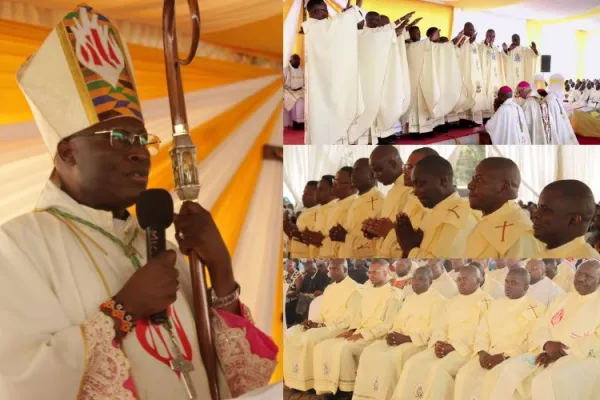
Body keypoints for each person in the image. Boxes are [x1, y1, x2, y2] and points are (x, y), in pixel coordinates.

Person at [0, 6, 277, 399]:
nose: (140, 154)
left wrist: (221, 271)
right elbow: (19, 379)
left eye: (142, 140)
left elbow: (239, 379)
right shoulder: (17, 246)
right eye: (118, 139)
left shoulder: (157, 245)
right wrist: (124, 309)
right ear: (68, 154)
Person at [392, 265, 492, 400]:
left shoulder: (487, 303)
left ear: (478, 280)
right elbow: (440, 326)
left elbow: (482, 333)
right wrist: (439, 343)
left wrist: (453, 346)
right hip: (444, 347)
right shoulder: (453, 301)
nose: (460, 282)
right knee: (413, 363)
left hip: (466, 350)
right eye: (459, 279)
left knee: (439, 369)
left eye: (465, 279)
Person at [353, 267, 447, 400]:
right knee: (369, 351)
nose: (416, 282)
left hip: (418, 343)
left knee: (391, 358)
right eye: (414, 279)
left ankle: (386, 396)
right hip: (400, 338)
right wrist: (392, 334)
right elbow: (397, 322)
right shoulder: (409, 298)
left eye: (421, 279)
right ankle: (366, 396)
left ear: (430, 282)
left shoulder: (439, 301)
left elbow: (434, 330)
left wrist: (407, 338)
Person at [313, 260, 403, 397]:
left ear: (385, 273)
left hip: (376, 337)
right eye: (369, 272)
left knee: (344, 349)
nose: (370, 275)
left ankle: (347, 389)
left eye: (374, 272)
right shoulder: (368, 291)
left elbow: (387, 324)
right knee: (324, 345)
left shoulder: (393, 294)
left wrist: (362, 335)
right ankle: (330, 386)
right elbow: (358, 315)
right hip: (359, 331)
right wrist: (351, 330)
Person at [454, 268, 545, 400]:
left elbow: (533, 344)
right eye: (506, 282)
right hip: (488, 355)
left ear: (526, 286)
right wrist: (482, 351)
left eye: (513, 283)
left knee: (495, 379)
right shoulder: (495, 305)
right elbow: (482, 331)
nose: (507, 286)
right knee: (464, 374)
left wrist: (504, 357)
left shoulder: (537, 309)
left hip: (514, 359)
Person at [283, 259, 362, 392]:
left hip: (338, 327)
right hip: (322, 324)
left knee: (310, 337)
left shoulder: (355, 289)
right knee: (291, 333)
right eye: (330, 268)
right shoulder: (330, 288)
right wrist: (312, 321)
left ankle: (312, 383)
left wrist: (319, 325)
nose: (331, 272)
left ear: (345, 270)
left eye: (335, 269)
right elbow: (322, 310)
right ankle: (296, 379)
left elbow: (350, 317)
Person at [529, 260, 600, 399]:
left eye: (588, 276)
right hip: (545, 352)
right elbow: (540, 326)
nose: (580, 278)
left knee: (549, 380)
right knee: (510, 370)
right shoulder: (561, 300)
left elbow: (596, 341)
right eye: (579, 273)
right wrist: (546, 344)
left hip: (583, 358)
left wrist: (562, 352)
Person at [302, 0, 365, 144]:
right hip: (324, 85)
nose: (328, 13)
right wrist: (354, 9)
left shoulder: (313, 28)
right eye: (325, 10)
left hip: (323, 83)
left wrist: (346, 16)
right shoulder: (317, 28)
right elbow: (338, 27)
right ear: (316, 12)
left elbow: (337, 31)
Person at [396, 155, 478, 258]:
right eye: (414, 185)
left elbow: (442, 260)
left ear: (443, 181)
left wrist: (409, 248)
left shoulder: (461, 216)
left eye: (421, 185)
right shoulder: (431, 212)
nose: (415, 193)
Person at [350, 11, 411, 144]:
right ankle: (364, 139)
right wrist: (401, 19)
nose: (376, 23)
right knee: (367, 108)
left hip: (380, 77)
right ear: (367, 21)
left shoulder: (381, 35)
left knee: (382, 107)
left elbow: (394, 34)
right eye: (373, 20)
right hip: (365, 79)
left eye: (378, 20)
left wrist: (404, 22)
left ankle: (380, 136)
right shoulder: (361, 34)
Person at [465, 158, 543, 258]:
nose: (470, 185)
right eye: (473, 179)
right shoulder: (488, 221)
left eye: (479, 180)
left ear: (503, 186)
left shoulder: (520, 235)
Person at [403, 23, 462, 136]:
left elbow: (442, 47)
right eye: (416, 33)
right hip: (415, 82)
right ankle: (416, 132)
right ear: (409, 34)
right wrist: (430, 38)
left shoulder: (425, 45)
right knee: (417, 109)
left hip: (426, 80)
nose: (418, 35)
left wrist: (457, 39)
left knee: (428, 104)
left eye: (419, 33)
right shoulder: (409, 46)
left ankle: (428, 129)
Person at [363, 146, 411, 257]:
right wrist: (375, 229)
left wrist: (389, 231)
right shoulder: (393, 190)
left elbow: (411, 234)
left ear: (393, 164)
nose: (375, 175)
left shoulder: (410, 189)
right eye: (373, 171)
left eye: (378, 169)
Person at [533, 180, 600, 259]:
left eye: (546, 209)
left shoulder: (588, 264)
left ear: (573, 220)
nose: (535, 214)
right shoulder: (539, 254)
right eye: (539, 207)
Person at [335, 159, 384, 258]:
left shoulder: (380, 201)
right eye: (353, 170)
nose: (353, 174)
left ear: (372, 175)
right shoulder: (356, 201)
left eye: (359, 171)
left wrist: (345, 237)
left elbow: (376, 243)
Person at [319, 167, 358, 258]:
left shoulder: (353, 205)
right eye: (334, 181)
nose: (333, 185)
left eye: (337, 182)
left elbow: (342, 237)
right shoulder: (335, 204)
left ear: (352, 185)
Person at [454, 22, 487, 128]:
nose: (472, 32)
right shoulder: (462, 39)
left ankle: (472, 119)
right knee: (467, 94)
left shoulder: (475, 43)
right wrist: (468, 41)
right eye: (470, 30)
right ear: (465, 30)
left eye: (473, 30)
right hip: (465, 73)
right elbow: (457, 50)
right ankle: (463, 119)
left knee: (475, 95)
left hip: (476, 74)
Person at [300, 175, 337, 258]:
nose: (316, 192)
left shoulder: (336, 209)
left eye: (320, 189)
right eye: (316, 189)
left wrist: (321, 240)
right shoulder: (321, 209)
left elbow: (338, 237)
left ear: (332, 190)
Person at [478, 29, 508, 123]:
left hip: (494, 76)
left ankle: (493, 115)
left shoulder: (495, 48)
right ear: (486, 36)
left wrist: (505, 51)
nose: (492, 38)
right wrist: (485, 45)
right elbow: (479, 55)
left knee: (494, 94)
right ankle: (484, 116)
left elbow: (501, 59)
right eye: (490, 36)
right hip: (485, 76)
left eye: (493, 36)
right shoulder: (481, 46)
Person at [285, 181, 319, 258]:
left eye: (308, 194)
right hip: (294, 252)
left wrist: (286, 219)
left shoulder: (319, 213)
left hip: (307, 255)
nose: (303, 196)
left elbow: (294, 232)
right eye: (303, 193)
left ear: (318, 194)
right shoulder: (304, 211)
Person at [545, 74, 579, 145]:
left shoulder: (554, 98)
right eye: (561, 84)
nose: (562, 87)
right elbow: (556, 122)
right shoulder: (551, 100)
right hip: (557, 132)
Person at [283, 54, 305, 130]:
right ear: (290, 61)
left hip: (299, 91)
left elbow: (305, 83)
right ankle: (295, 122)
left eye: (298, 60)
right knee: (295, 101)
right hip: (288, 91)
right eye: (295, 60)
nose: (297, 61)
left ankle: (299, 122)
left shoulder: (302, 70)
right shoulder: (286, 70)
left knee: (301, 101)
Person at [285, 260, 305, 327]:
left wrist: (286, 294)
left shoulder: (298, 276)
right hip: (285, 297)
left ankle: (289, 325)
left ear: (295, 267)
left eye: (290, 266)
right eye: (286, 265)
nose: (287, 267)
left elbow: (297, 291)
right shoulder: (286, 276)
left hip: (293, 300)